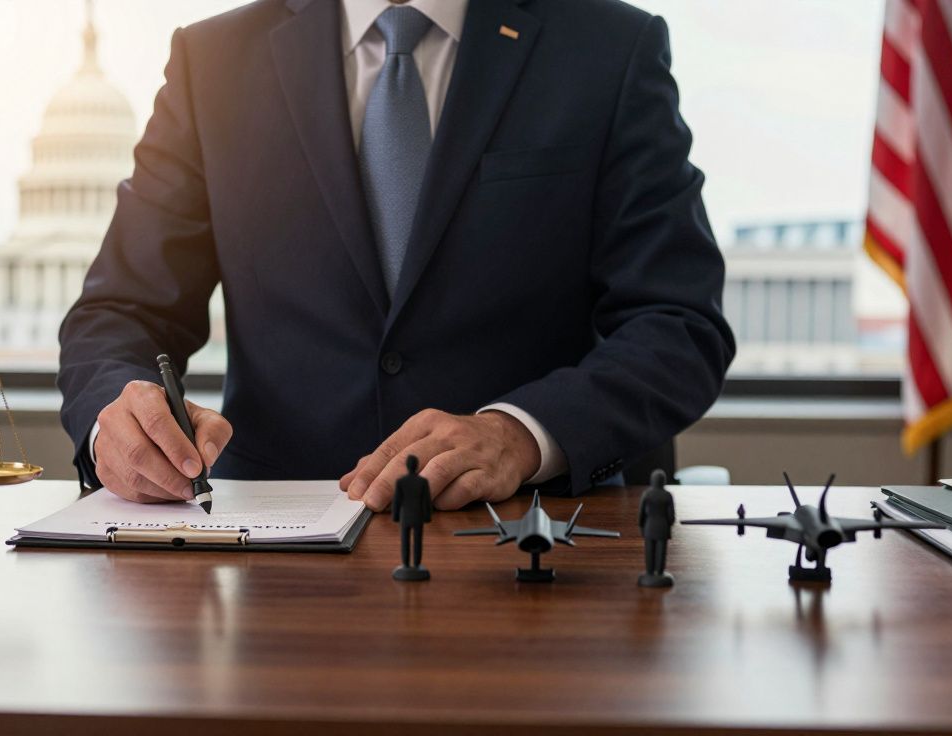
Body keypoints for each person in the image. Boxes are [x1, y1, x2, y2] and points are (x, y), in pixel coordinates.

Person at [58, 0, 735, 510]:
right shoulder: (214, 62)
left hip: (535, 545)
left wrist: (524, 435)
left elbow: (678, 322)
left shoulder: (608, 48)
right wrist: (115, 417)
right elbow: (120, 312)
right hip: (277, 558)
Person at [392, 455, 432, 579]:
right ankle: (416, 564)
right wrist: (427, 516)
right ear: (417, 466)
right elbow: (426, 501)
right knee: (418, 542)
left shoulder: (401, 482)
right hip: (418, 516)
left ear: (407, 466)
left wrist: (395, 516)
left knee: (405, 541)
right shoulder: (422, 482)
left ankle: (406, 564)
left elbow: (397, 501)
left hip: (405, 517)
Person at [638, 469, 676, 586]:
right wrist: (668, 523)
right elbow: (671, 516)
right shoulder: (667, 495)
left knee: (649, 551)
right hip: (663, 527)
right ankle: (659, 572)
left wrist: (641, 525)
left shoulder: (647, 494)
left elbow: (641, 514)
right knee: (661, 552)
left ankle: (650, 571)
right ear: (663, 481)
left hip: (649, 526)